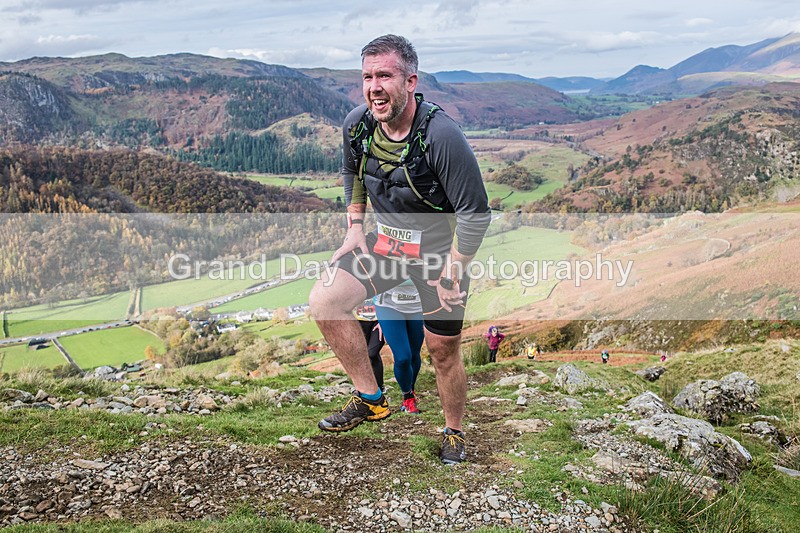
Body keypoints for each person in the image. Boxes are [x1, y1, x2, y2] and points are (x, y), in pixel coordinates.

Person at [309, 34, 491, 465]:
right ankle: (371, 397)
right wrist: (355, 226)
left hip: (439, 253)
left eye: (385, 75)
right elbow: (352, 171)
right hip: (389, 244)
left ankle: (454, 431)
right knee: (325, 300)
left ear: (410, 81)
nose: (374, 86)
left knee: (442, 350)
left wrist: (453, 270)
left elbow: (475, 213)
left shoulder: (442, 135)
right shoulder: (357, 123)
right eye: (368, 76)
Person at [375, 280, 424, 414]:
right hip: (388, 305)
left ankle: (411, 392)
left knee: (414, 354)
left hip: (419, 304)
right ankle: (407, 396)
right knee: (402, 357)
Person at [354, 300, 386, 393]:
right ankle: (364, 387)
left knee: (372, 353)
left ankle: (379, 387)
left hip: (378, 322)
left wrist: (384, 320)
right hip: (358, 321)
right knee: (360, 355)